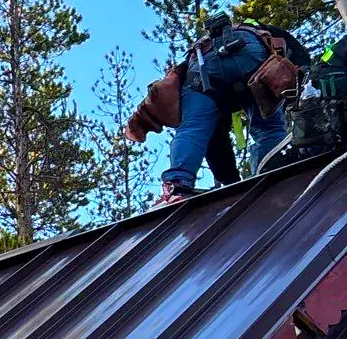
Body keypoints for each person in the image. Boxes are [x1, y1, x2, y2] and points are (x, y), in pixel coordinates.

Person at [126, 14, 308, 203]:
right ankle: (271, 171)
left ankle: (176, 186)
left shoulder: (192, 82)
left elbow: (215, 141)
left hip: (202, 65)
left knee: (193, 127)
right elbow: (303, 61)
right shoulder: (267, 31)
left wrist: (232, 184)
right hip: (250, 51)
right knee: (268, 127)